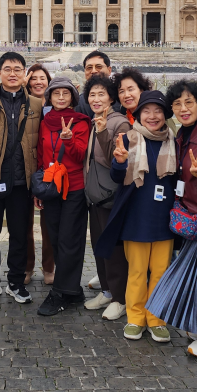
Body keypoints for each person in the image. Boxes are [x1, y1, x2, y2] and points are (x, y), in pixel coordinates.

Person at [146, 80, 197, 359]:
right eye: (177, 104)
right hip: (192, 210)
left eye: (189, 103)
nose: (183, 109)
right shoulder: (183, 133)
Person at [96, 90, 177, 344]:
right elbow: (118, 178)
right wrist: (120, 162)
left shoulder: (173, 140)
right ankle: (135, 317)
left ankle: (157, 319)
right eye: (147, 111)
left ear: (165, 115)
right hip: (136, 217)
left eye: (158, 111)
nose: (152, 116)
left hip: (164, 218)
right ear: (139, 114)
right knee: (138, 272)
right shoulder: (129, 139)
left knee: (161, 272)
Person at [0, 52, 42, 304]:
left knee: (19, 234)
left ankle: (16, 281)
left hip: (21, 181)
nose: (12, 73)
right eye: (7, 69)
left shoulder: (36, 104)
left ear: (24, 74)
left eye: (17, 69)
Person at [35, 78, 91, 316]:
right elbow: (40, 153)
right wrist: (37, 189)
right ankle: (72, 289)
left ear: (72, 98)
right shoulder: (45, 122)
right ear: (49, 97)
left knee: (70, 239)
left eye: (65, 94)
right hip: (51, 186)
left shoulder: (80, 122)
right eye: (55, 93)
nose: (60, 97)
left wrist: (68, 140)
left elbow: (80, 157)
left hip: (74, 186)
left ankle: (59, 293)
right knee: (56, 237)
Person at [81, 74, 131, 321]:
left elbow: (117, 160)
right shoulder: (97, 120)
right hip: (96, 196)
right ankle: (106, 290)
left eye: (102, 94)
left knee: (114, 251)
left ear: (111, 97)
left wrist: (101, 133)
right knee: (100, 247)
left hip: (110, 195)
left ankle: (120, 298)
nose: (96, 98)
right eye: (92, 94)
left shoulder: (119, 123)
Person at [25, 63, 55, 285]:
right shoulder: (22, 104)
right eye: (33, 78)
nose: (38, 82)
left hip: (48, 169)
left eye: (42, 78)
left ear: (48, 80)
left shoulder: (57, 103)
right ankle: (27, 267)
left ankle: (48, 266)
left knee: (49, 223)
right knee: (23, 224)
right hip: (25, 168)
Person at [76, 51, 122, 117]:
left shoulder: (122, 97)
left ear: (109, 70)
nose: (94, 71)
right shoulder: (79, 102)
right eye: (89, 68)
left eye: (99, 67)